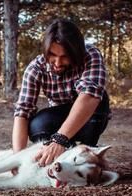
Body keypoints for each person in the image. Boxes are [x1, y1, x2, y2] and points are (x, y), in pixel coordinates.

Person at [12, 18, 111, 169]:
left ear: (76, 51)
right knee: (37, 125)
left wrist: (60, 139)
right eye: (52, 54)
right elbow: (23, 112)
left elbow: (90, 94)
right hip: (57, 120)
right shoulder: (35, 69)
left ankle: (87, 152)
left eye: (64, 56)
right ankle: (62, 158)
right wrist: (17, 159)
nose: (57, 63)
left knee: (100, 98)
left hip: (90, 117)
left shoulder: (90, 55)